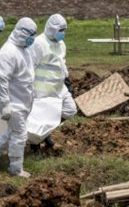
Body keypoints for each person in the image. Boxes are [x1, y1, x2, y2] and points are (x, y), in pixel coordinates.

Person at [0, 17, 37, 178]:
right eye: (31, 35)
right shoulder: (8, 52)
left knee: (12, 131)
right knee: (20, 135)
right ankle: (15, 168)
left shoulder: (24, 50)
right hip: (13, 102)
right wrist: (5, 104)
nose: (33, 39)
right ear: (21, 33)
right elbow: (2, 80)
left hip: (24, 100)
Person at [31, 13, 77, 153]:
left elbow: (62, 63)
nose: (62, 33)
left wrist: (67, 80)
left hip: (59, 86)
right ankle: (35, 143)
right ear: (51, 29)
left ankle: (46, 134)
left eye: (64, 30)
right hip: (42, 89)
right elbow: (31, 66)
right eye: (60, 30)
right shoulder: (38, 43)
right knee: (40, 118)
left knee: (70, 110)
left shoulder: (61, 44)